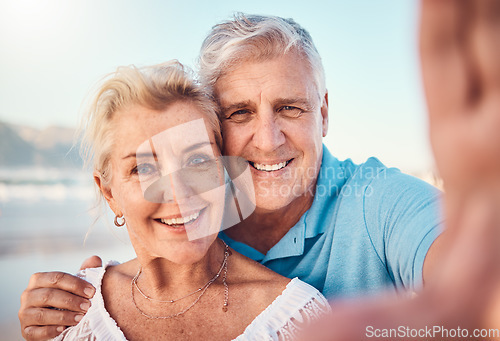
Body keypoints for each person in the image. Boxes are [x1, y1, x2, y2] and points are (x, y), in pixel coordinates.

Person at [19, 13, 445, 341]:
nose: (268, 140)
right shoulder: (187, 217)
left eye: (290, 108)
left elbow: (465, 266)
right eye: (240, 113)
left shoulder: (381, 201)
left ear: (324, 113)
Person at [47, 61, 330, 340]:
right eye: (144, 168)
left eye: (197, 161)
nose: (178, 191)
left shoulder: (297, 319)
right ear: (109, 193)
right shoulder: (70, 310)